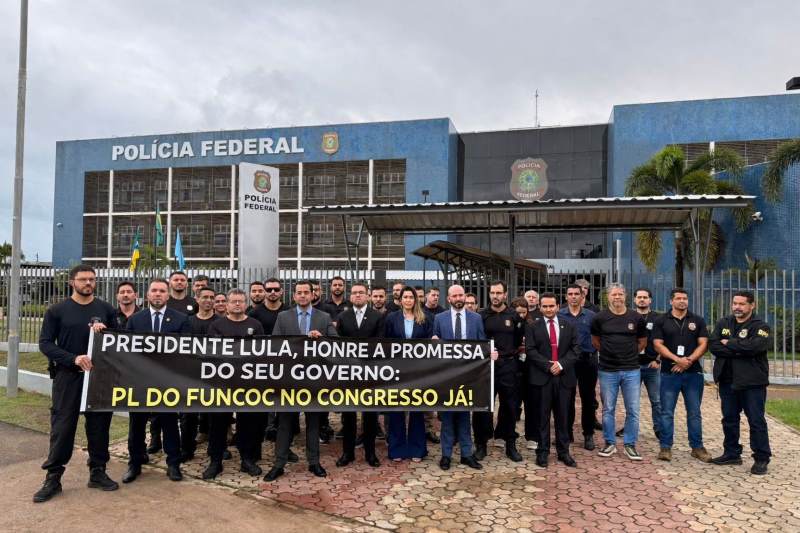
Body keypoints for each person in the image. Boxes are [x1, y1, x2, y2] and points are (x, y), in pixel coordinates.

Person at [34, 265, 119, 503]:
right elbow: (45, 343)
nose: (88, 283)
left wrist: (106, 333)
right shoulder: (57, 310)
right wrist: (73, 359)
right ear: (72, 282)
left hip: (98, 378)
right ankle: (53, 477)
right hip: (68, 376)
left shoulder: (106, 309)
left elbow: (119, 340)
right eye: (83, 279)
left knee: (99, 425)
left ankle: (98, 471)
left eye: (92, 279)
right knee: (63, 426)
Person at [263, 280, 337, 482]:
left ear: (313, 295)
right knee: (285, 423)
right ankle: (279, 464)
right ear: (294, 296)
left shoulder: (324, 317)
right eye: (299, 292)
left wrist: (322, 338)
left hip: (314, 379)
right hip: (290, 379)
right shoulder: (283, 317)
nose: (303, 295)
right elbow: (275, 345)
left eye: (306, 292)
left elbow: (336, 343)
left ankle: (314, 462)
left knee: (313, 423)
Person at [123, 278, 191, 484]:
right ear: (148, 295)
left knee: (169, 422)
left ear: (168, 295)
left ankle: (173, 463)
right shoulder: (135, 320)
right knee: (137, 423)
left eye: (162, 290)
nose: (158, 294)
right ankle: (135, 463)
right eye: (154, 290)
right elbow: (126, 350)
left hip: (168, 382)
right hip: (140, 382)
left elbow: (187, 352)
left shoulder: (181, 319)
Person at [203, 289, 266, 479]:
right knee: (218, 424)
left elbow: (263, 353)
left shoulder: (255, 325)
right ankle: (215, 461)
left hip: (247, 384)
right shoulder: (216, 326)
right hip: (222, 385)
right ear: (227, 304)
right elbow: (210, 354)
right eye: (233, 301)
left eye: (240, 301)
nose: (237, 304)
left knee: (247, 423)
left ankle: (247, 460)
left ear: (246, 303)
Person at [708, 290, 772, 475]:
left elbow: (755, 347)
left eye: (742, 304)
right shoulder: (724, 323)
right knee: (729, 419)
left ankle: (761, 458)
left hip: (752, 383)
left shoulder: (760, 326)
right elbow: (714, 346)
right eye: (735, 303)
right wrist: (739, 348)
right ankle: (732, 453)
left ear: (752, 305)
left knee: (756, 421)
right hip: (727, 381)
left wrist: (729, 343)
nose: (737, 307)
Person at [432, 284, 488, 471]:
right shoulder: (439, 318)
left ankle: (466, 454)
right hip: (447, 375)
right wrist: (434, 342)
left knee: (465, 415)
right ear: (448, 298)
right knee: (447, 416)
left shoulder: (476, 318)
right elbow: (434, 347)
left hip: (469, 375)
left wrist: (490, 353)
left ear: (465, 296)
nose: (458, 298)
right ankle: (446, 455)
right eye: (454, 296)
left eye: (461, 295)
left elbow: (482, 344)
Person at [652, 288, 711, 463]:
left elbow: (704, 344)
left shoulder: (697, 320)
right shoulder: (661, 320)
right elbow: (657, 344)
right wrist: (677, 360)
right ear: (671, 301)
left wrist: (688, 361)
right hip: (669, 373)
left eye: (685, 298)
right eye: (678, 298)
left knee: (694, 412)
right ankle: (665, 447)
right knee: (666, 412)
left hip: (693, 374)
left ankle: (697, 447)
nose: (682, 301)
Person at [591, 283, 647, 460]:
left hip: (631, 370)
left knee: (633, 409)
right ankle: (610, 443)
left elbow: (642, 341)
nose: (617, 297)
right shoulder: (600, 318)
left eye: (620, 294)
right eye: (614, 294)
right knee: (608, 409)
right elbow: (595, 341)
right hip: (608, 370)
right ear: (608, 296)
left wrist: (629, 354)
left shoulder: (636, 317)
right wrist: (609, 353)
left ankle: (630, 444)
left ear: (625, 296)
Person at [335, 282, 386, 468]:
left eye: (361, 292)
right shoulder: (343, 317)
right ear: (350, 296)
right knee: (348, 416)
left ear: (368, 295)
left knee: (370, 416)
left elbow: (380, 343)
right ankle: (347, 453)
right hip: (349, 373)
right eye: (355, 293)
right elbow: (338, 344)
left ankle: (370, 453)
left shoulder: (377, 317)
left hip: (369, 372)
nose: (358, 295)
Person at [526, 292, 580, 468]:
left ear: (557, 306)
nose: (548, 309)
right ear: (540, 307)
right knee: (542, 417)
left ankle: (564, 452)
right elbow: (530, 350)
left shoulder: (569, 325)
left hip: (564, 378)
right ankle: (542, 451)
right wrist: (548, 365)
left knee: (563, 417)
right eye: (545, 306)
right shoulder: (533, 326)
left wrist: (561, 364)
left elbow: (576, 349)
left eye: (551, 306)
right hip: (542, 378)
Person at [475, 281, 525, 462]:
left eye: (498, 293)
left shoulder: (514, 316)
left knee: (510, 406)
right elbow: (477, 340)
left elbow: (518, 340)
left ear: (505, 294)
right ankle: (481, 444)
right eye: (492, 293)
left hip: (508, 366)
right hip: (486, 367)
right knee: (483, 406)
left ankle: (510, 444)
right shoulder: (481, 316)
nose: (495, 296)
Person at [384, 286, 432, 462]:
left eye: (411, 297)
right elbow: (385, 343)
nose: (408, 300)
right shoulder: (391, 318)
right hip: (397, 370)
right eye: (405, 297)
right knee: (396, 409)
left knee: (416, 410)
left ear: (415, 300)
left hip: (418, 371)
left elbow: (430, 343)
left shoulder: (425, 318)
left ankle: (417, 449)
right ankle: (396, 449)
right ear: (400, 300)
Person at [618, 288, 662, 441]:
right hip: (632, 366)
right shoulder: (628, 316)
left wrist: (658, 360)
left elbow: (664, 340)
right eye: (639, 297)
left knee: (656, 400)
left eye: (645, 297)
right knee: (631, 401)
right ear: (634, 299)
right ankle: (629, 428)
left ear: (650, 300)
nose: (642, 300)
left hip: (652, 366)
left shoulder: (658, 318)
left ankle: (659, 429)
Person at [559, 283, 599, 451]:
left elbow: (598, 336)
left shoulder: (591, 316)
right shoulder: (560, 315)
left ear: (582, 296)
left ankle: (588, 434)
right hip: (567, 362)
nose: (573, 296)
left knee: (588, 399)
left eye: (577, 294)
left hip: (587, 361)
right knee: (566, 398)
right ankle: (567, 434)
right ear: (566, 296)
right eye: (570, 294)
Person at [183, 287, 219, 460]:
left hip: (215, 376)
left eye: (212, 297)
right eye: (205, 297)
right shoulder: (187, 322)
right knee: (188, 415)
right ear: (197, 299)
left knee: (215, 416)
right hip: (191, 375)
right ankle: (186, 449)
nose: (209, 300)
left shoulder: (220, 322)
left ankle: (216, 450)